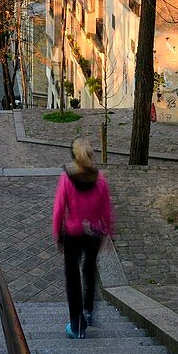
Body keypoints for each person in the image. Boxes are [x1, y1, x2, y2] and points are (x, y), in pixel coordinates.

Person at [51, 137, 114, 339]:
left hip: (73, 233)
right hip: (93, 234)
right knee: (89, 269)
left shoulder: (67, 179)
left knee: (72, 278)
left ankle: (77, 326)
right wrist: (108, 232)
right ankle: (89, 309)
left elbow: (59, 209)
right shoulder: (101, 180)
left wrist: (57, 234)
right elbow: (106, 210)